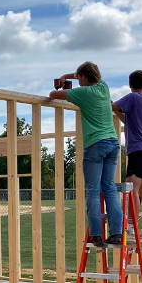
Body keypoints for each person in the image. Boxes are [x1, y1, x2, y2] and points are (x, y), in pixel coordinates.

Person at [49, 61, 123, 248]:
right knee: (109, 187)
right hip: (113, 143)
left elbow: (53, 95)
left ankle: (96, 235)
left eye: (79, 77)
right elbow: (89, 76)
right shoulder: (104, 88)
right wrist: (68, 76)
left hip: (95, 145)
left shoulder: (82, 93)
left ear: (82, 77)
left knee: (92, 189)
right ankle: (116, 233)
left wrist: (63, 81)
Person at [111, 70, 142, 241]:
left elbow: (110, 107)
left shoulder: (132, 98)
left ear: (129, 84)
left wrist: (108, 103)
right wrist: (117, 110)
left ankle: (131, 230)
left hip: (137, 150)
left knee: (132, 190)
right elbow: (127, 120)